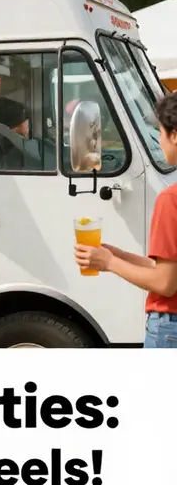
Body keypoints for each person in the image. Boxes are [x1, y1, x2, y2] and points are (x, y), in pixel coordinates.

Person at [74, 92, 177, 348]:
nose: (159, 140)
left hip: (169, 328)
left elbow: (165, 284)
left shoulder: (171, 199)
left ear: (175, 135)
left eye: (161, 132)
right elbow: (168, 270)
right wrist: (119, 255)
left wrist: (109, 263)